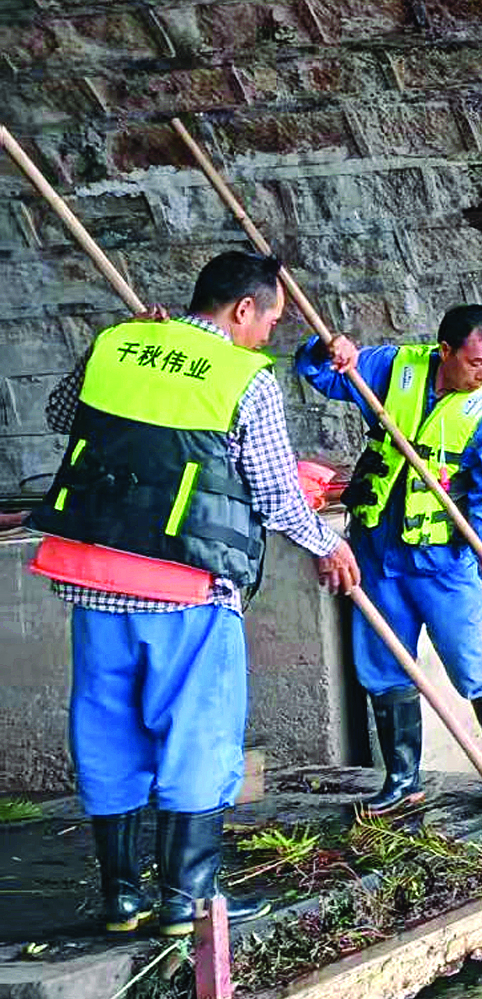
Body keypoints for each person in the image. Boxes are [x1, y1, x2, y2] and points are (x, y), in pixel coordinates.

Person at [29, 252, 360, 936]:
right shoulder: (244, 377)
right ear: (243, 309)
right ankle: (189, 901)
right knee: (197, 735)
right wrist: (328, 542)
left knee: (108, 732)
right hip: (185, 586)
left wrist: (132, 345)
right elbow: (271, 491)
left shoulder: (118, 344)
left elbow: (65, 412)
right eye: (269, 320)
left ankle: (123, 898)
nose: (267, 336)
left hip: (94, 581)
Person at [296, 305, 482, 815]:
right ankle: (402, 778)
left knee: (470, 666)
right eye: (476, 363)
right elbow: (318, 375)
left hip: (444, 562)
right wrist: (329, 350)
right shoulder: (391, 368)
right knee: (383, 665)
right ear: (446, 351)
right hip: (378, 553)